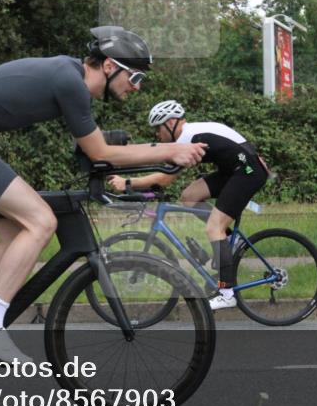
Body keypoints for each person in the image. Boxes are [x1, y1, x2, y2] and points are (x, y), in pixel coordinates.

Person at [0, 28, 207, 362]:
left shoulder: (68, 76)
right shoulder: (71, 81)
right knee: (40, 222)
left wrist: (156, 154)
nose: (137, 86)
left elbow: (95, 149)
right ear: (110, 66)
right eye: (136, 76)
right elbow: (99, 152)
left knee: (13, 236)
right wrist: (169, 149)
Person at [107, 100, 269, 310]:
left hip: (247, 173)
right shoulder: (191, 134)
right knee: (189, 196)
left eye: (158, 128)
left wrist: (127, 183)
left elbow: (165, 178)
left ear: (171, 123)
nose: (157, 134)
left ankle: (226, 293)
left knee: (214, 227)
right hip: (237, 169)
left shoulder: (188, 138)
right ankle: (231, 241)